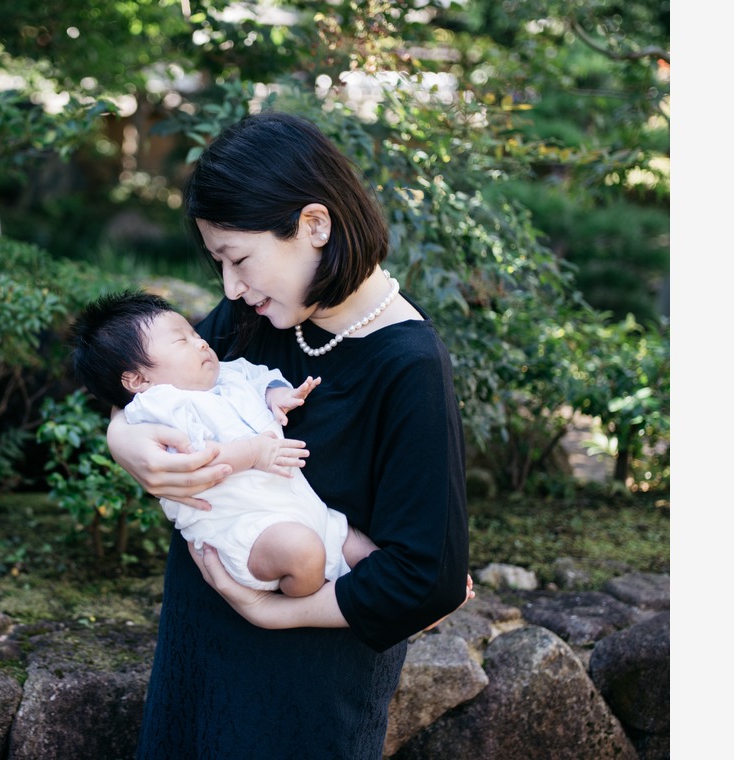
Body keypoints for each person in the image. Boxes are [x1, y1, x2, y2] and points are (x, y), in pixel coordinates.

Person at [105, 111, 472, 759]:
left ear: (315, 225)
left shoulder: (407, 364)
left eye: (239, 258)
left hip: (304, 693)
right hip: (199, 652)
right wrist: (122, 440)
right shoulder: (260, 314)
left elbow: (428, 580)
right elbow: (151, 383)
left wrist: (278, 612)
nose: (230, 287)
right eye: (219, 262)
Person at [70, 289, 381, 598]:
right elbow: (198, 462)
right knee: (304, 553)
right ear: (138, 381)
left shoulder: (226, 374)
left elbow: (258, 375)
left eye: (194, 333)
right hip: (246, 528)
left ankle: (399, 605)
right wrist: (255, 452)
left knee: (364, 549)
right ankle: (312, 603)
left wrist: (275, 394)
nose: (201, 342)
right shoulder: (159, 408)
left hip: (307, 509)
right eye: (183, 341)